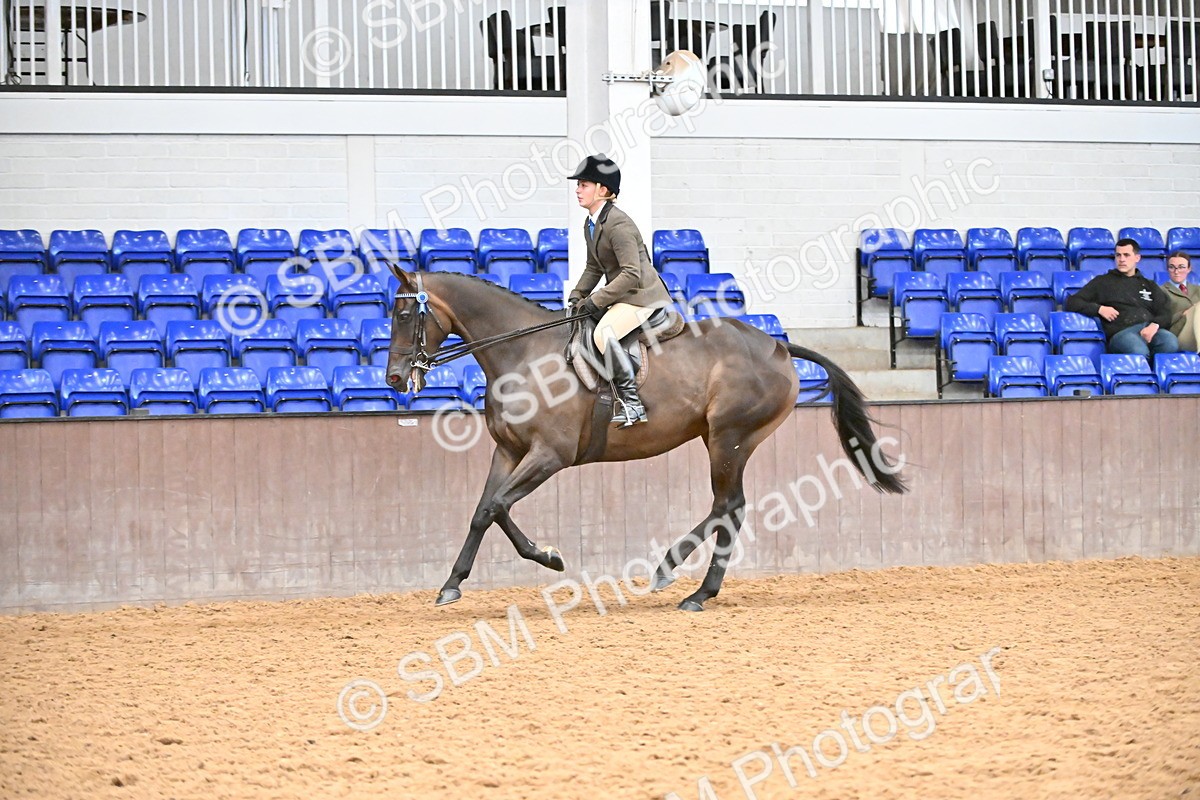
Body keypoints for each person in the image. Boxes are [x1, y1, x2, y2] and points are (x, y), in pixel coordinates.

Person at [566, 154, 672, 427]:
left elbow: (631, 273)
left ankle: (632, 403)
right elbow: (593, 267)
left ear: (603, 189)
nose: (578, 189)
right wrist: (578, 294)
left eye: (584, 184)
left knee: (604, 333)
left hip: (641, 296)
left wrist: (596, 300)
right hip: (623, 295)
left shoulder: (619, 224)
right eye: (578, 184)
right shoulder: (591, 223)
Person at [1064, 237, 1180, 358]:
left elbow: (1165, 311)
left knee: (1170, 342)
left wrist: (1154, 325)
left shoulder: (1149, 284)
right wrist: (1099, 309)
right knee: (1138, 350)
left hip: (1148, 329)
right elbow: (1072, 302)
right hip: (1121, 333)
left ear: (1137, 258)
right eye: (1118, 255)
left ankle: (1156, 374)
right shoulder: (1102, 282)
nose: (1122, 259)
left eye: (1126, 255)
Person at [1160, 251, 1200, 351]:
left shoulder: (1198, 289)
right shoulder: (1161, 291)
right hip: (1178, 332)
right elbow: (1161, 320)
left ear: (1189, 269)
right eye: (1172, 267)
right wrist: (1184, 314)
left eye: (1181, 267)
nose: (1176, 271)